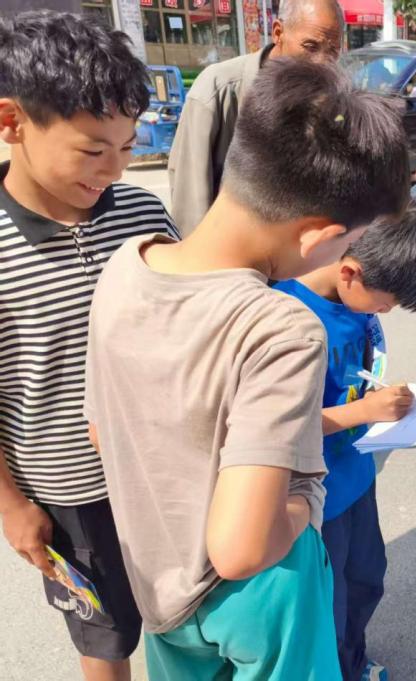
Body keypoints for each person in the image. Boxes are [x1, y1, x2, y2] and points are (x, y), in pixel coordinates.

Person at [82, 59, 410, 680]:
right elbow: (241, 549)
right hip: (263, 593)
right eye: (349, 242)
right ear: (318, 237)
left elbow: (103, 433)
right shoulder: (281, 328)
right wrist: (306, 502)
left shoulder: (125, 266)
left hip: (159, 580)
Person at [0, 11, 179, 681]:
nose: (114, 167)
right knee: (105, 634)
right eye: (92, 149)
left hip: (161, 468)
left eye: (128, 146)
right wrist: (12, 506)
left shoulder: (142, 214)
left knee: (182, 604)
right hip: (67, 490)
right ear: (12, 122)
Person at [273, 206, 416, 681]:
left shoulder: (357, 306)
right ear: (350, 272)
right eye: (386, 303)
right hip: (314, 498)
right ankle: (335, 669)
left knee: (367, 579)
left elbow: (358, 377)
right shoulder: (285, 314)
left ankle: (353, 661)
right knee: (326, 606)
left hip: (356, 475)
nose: (385, 313)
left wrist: (381, 403)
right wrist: (364, 412)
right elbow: (273, 425)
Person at [167, 0, 345, 235]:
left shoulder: (333, 102)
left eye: (332, 51)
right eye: (310, 46)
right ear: (278, 33)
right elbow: (190, 206)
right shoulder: (218, 91)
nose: (321, 63)